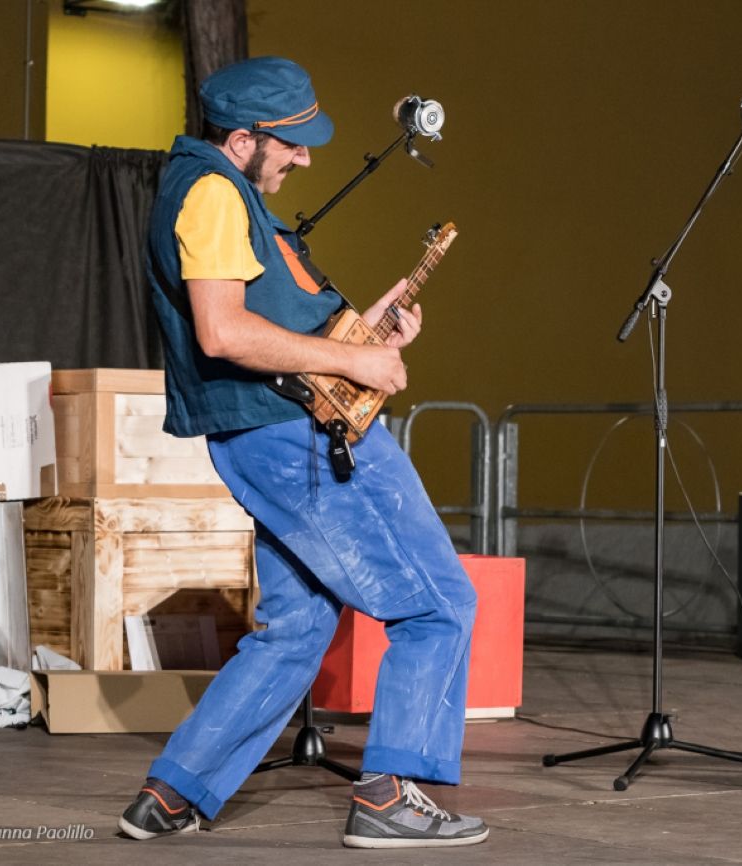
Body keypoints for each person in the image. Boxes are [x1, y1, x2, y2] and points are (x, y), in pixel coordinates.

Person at [117, 56, 488, 849]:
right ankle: (390, 797)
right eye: (290, 144)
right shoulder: (214, 193)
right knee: (438, 604)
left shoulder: (218, 191)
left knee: (297, 626)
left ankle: (175, 793)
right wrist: (354, 363)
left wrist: (363, 327)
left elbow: (272, 313)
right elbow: (223, 332)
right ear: (244, 138)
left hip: (271, 437)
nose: (305, 157)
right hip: (299, 438)